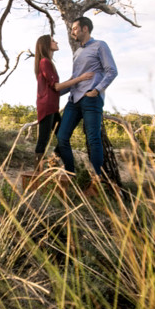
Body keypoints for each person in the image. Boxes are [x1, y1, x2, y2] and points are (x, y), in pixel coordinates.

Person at [56, 16, 118, 195]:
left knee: (93, 139)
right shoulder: (77, 53)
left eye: (75, 28)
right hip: (74, 100)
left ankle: (95, 182)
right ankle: (70, 173)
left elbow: (112, 70)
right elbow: (76, 78)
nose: (72, 32)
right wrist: (56, 92)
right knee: (62, 137)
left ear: (85, 28)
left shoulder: (100, 45)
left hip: (91, 98)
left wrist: (97, 90)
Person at [34, 34, 93, 171]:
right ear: (46, 44)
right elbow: (57, 87)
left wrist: (73, 80)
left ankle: (52, 161)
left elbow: (57, 91)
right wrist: (80, 79)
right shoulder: (45, 62)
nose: (56, 42)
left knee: (63, 136)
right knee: (43, 140)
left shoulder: (48, 62)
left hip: (53, 107)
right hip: (47, 106)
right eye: (53, 40)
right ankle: (36, 174)